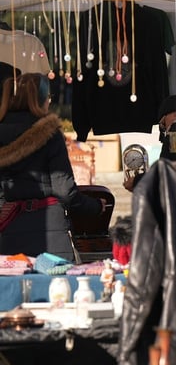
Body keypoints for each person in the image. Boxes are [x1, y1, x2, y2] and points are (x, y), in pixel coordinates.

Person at [0, 73, 106, 261]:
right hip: (50, 232)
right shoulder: (48, 132)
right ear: (39, 99)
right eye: (48, 97)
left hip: (9, 230)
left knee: (13, 287)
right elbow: (64, 190)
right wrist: (95, 206)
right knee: (56, 289)